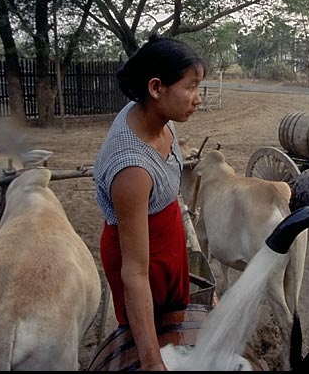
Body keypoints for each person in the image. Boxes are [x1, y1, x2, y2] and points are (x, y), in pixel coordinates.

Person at [93, 36, 206, 371]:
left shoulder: (158, 116)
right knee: (150, 330)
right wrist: (152, 362)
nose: (198, 99)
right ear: (156, 88)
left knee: (175, 321)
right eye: (192, 87)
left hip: (168, 236)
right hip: (142, 255)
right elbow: (135, 272)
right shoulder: (131, 169)